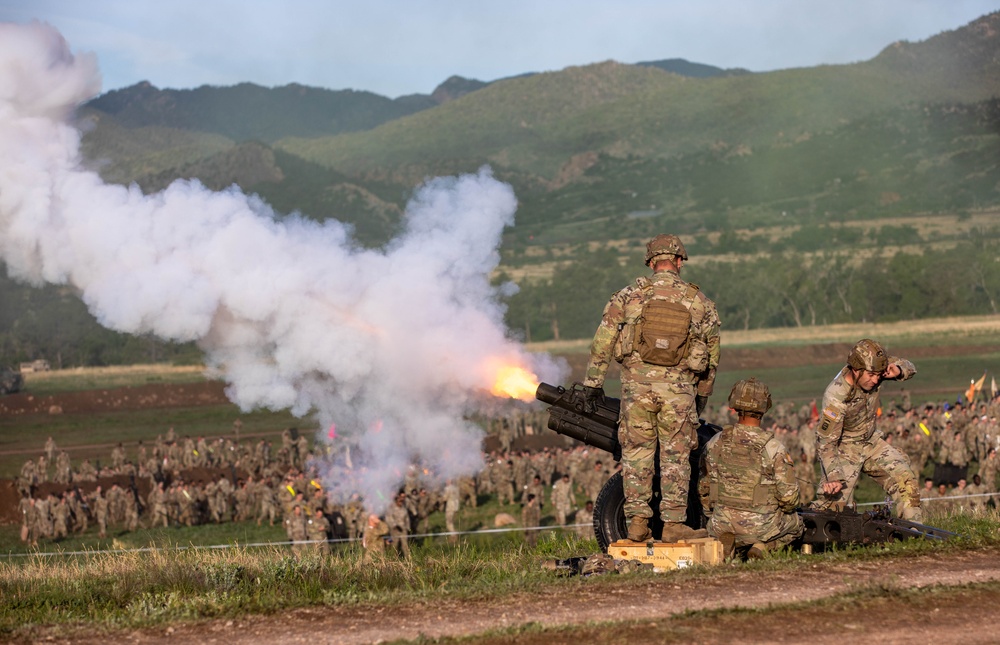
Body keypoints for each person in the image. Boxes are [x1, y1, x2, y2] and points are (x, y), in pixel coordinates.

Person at [582, 234, 721, 542]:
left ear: (650, 262)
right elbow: (711, 358)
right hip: (679, 394)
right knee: (676, 458)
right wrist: (700, 399)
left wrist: (593, 383)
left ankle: (636, 524)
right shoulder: (699, 302)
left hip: (637, 392)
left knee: (636, 456)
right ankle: (673, 525)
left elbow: (603, 341)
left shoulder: (628, 296)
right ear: (679, 261)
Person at [814, 339, 923, 522]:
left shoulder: (876, 367)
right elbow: (826, 442)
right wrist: (833, 476)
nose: (875, 380)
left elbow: (910, 367)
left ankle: (914, 532)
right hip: (844, 449)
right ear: (856, 370)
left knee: (906, 481)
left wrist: (897, 370)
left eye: (878, 375)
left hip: (872, 442)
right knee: (831, 510)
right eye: (871, 375)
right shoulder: (836, 395)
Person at [700, 378, 803, 559]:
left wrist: (714, 515)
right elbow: (789, 499)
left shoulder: (715, 442)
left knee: (728, 527)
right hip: (760, 527)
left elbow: (703, 488)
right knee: (797, 524)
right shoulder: (773, 448)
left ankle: (730, 549)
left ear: (734, 404)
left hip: (720, 524)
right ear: (765, 407)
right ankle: (763, 547)